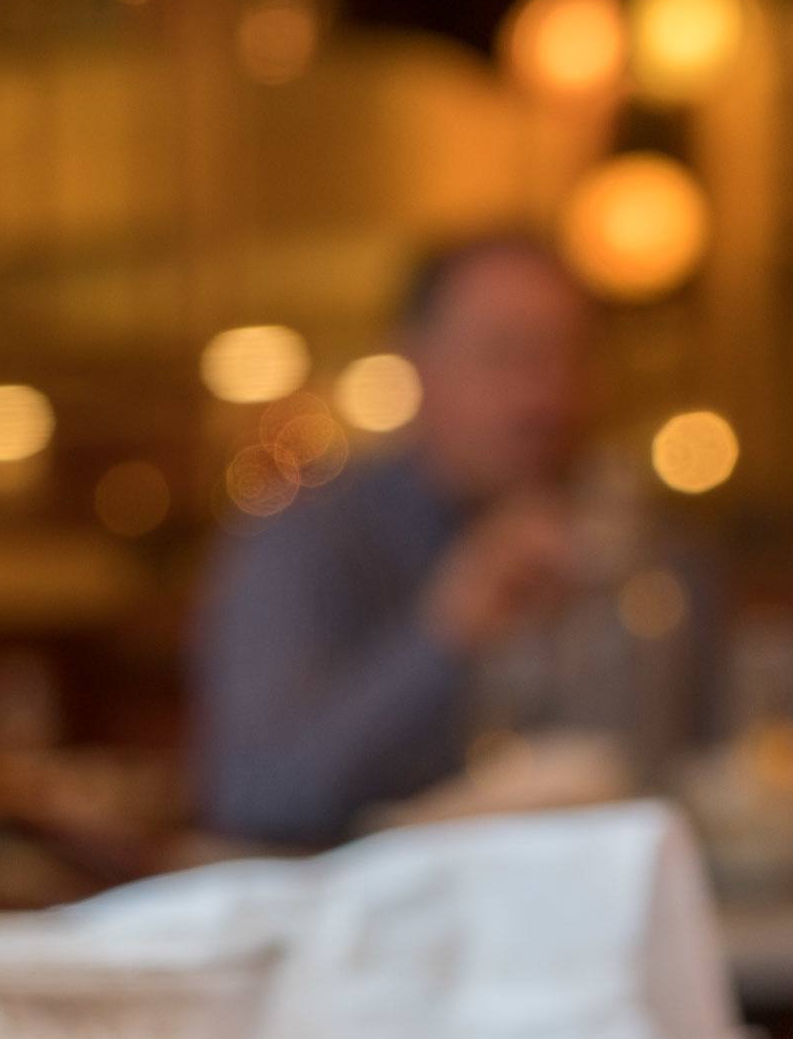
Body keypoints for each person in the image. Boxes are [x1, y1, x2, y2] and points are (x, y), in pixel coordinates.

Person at [194, 235, 659, 845]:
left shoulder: (642, 550)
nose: (544, 394)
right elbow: (259, 791)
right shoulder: (309, 539)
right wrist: (446, 630)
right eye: (504, 354)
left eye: (568, 355)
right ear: (417, 363)